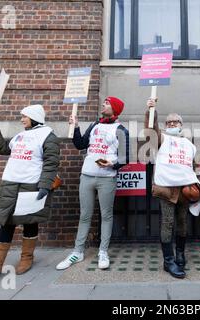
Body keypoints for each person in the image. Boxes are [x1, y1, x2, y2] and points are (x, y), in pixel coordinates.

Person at [0, 104, 60, 288]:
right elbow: (2, 148)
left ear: (34, 117)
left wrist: (45, 186)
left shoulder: (48, 136)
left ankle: (27, 258)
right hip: (10, 185)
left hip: (31, 186)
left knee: (30, 222)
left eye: (24, 116)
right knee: (6, 223)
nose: (21, 119)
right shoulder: (20, 135)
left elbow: (51, 163)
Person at [56, 96, 129, 270]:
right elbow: (80, 144)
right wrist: (75, 127)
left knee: (106, 215)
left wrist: (112, 163)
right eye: (104, 102)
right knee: (85, 215)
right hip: (87, 175)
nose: (103, 104)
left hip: (107, 178)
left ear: (115, 109)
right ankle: (78, 252)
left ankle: (103, 252)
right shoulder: (95, 125)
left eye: (107, 103)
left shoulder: (121, 130)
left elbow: (125, 157)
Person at [145, 98, 200, 279]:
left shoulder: (189, 144)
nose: (171, 124)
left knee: (182, 222)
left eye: (175, 122)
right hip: (167, 188)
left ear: (181, 125)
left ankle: (180, 254)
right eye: (168, 122)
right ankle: (168, 260)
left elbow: (194, 167)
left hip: (185, 189)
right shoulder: (162, 137)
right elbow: (151, 129)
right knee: (167, 222)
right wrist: (151, 112)